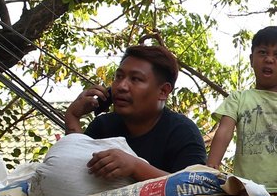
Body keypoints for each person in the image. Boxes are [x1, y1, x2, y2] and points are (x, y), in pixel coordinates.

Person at [63, 44, 206, 182]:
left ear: (163, 91)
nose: (121, 86)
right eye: (118, 77)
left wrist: (136, 167)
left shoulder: (183, 133)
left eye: (135, 79)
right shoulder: (104, 125)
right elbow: (77, 174)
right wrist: (73, 117)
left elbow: (194, 186)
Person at [207, 26, 277, 192]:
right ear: (252, 59)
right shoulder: (238, 98)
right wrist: (211, 166)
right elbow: (224, 132)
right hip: (246, 190)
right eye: (262, 52)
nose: (269, 59)